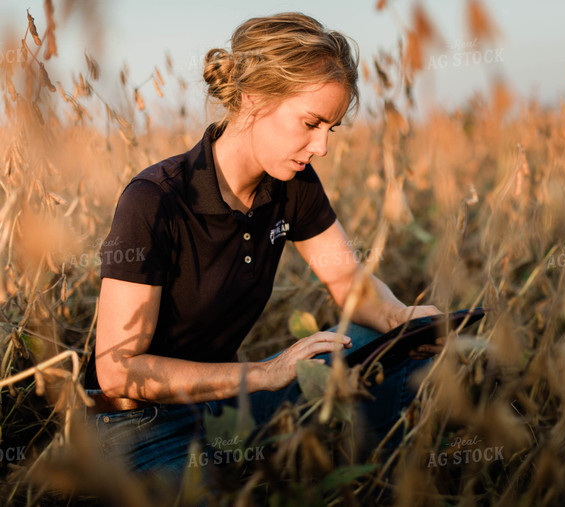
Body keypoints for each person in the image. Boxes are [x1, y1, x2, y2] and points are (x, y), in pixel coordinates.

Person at [82, 12, 442, 476]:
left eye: (329, 129)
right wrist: (268, 374)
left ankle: (378, 478)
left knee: (384, 347)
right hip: (136, 425)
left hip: (226, 401)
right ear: (253, 99)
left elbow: (345, 276)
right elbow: (119, 371)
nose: (322, 147)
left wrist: (402, 319)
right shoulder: (154, 199)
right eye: (311, 123)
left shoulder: (293, 182)